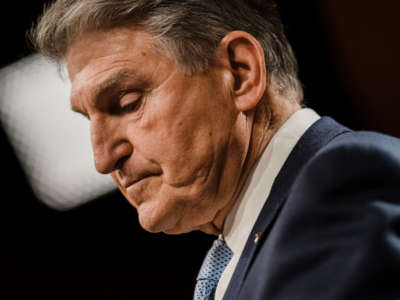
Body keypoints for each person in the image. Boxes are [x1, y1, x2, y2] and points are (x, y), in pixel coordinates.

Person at [30, 0, 400, 299]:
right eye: (88, 120)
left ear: (240, 74)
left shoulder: (342, 184)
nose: (103, 159)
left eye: (127, 102)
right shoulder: (250, 243)